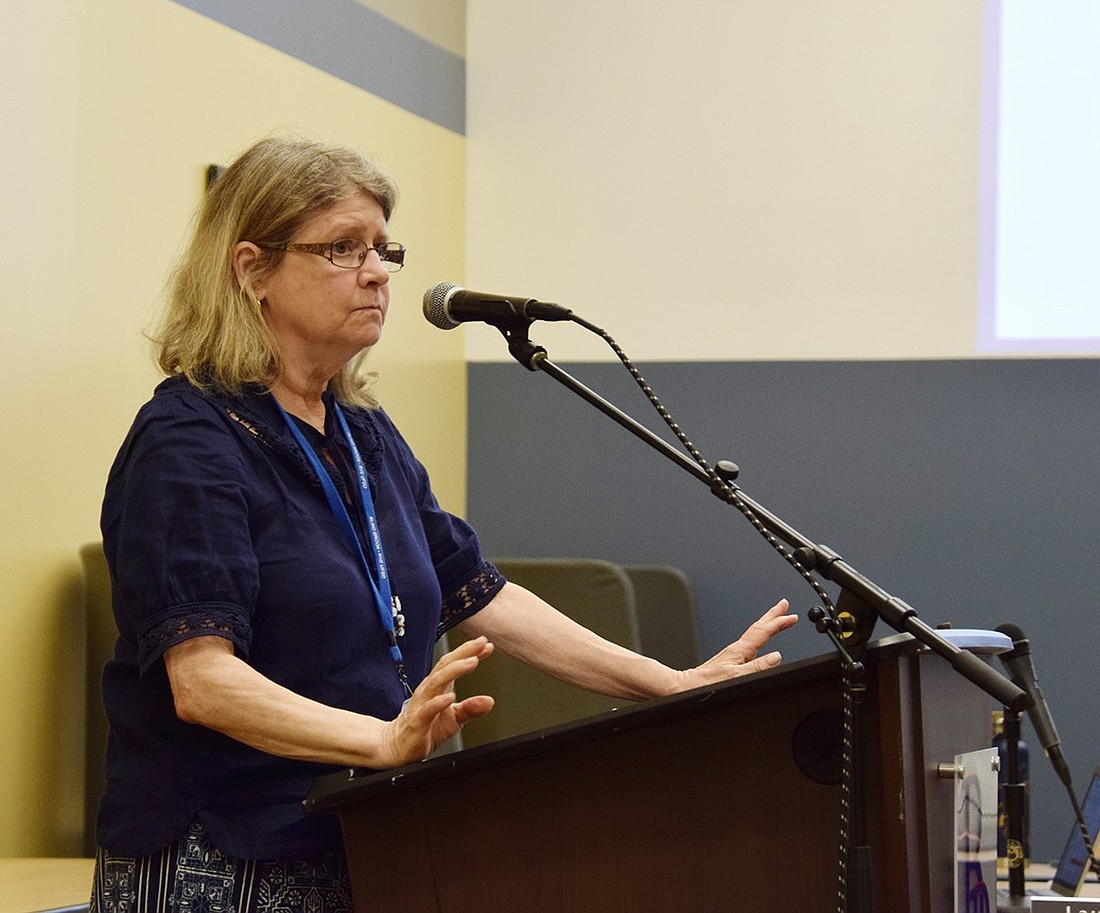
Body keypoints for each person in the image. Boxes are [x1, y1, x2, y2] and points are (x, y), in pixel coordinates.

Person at [89, 134, 797, 913]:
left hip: (370, 835)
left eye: (383, 250)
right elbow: (203, 682)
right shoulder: (189, 441)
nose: (375, 273)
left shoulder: (361, 431)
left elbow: (483, 594)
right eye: (342, 248)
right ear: (252, 268)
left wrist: (669, 683)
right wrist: (380, 740)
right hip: (222, 858)